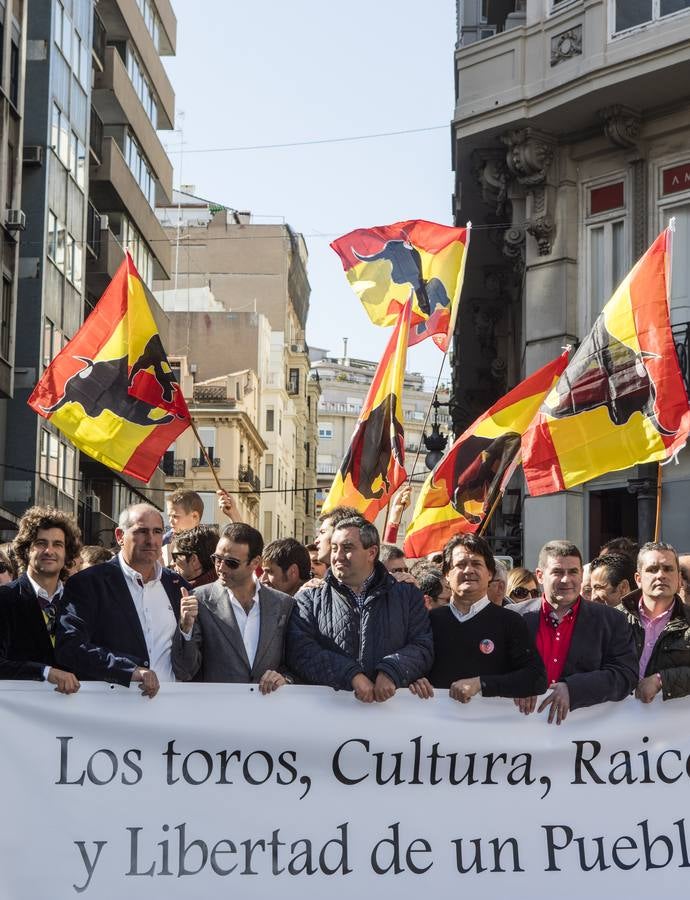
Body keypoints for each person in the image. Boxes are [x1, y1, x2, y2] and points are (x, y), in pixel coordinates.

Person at [286, 517, 433, 701]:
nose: (337, 556)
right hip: (328, 717)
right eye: (334, 548)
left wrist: (392, 670)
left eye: (347, 548)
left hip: (392, 716)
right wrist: (350, 675)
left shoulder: (407, 595)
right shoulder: (309, 597)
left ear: (371, 553)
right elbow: (300, 651)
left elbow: (422, 646)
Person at [56, 503, 188, 698]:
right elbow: (70, 646)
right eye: (142, 531)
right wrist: (128, 671)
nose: (151, 540)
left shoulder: (177, 586)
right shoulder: (88, 583)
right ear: (120, 536)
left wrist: (188, 630)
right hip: (111, 708)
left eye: (157, 531)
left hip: (169, 708)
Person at [409, 535, 546, 703]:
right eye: (460, 565)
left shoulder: (510, 621)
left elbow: (536, 678)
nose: (468, 570)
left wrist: (481, 684)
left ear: (489, 573)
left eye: (476, 564)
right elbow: (411, 665)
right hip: (436, 725)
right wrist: (414, 680)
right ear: (446, 574)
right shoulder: (428, 621)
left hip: (489, 726)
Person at [513, 540, 637, 724]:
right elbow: (492, 669)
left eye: (573, 572)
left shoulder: (611, 621)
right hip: (519, 734)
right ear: (539, 575)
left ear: (581, 575)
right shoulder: (514, 617)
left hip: (581, 739)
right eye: (557, 572)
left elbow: (625, 675)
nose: (566, 580)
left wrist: (574, 689)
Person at [172, 523, 294, 690]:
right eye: (216, 559)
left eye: (231, 562)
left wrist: (284, 679)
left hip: (268, 709)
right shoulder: (198, 600)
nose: (220, 567)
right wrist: (186, 628)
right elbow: (184, 671)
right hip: (218, 711)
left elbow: (294, 664)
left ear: (254, 562)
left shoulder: (283, 604)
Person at [0, 506, 81, 692]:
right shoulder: (4, 599)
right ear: (26, 549)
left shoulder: (79, 603)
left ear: (66, 553)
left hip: (75, 713)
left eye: (57, 544)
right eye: (41, 543)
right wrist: (45, 672)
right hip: (19, 715)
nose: (49, 551)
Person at [619, 541, 690, 703]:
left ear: (679, 578)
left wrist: (662, 680)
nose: (660, 575)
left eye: (668, 569)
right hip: (614, 723)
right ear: (638, 578)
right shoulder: (614, 618)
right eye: (652, 569)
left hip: (670, 725)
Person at [170, 524, 219, 588]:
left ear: (194, 560)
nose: (172, 563)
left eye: (176, 557)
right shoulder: (228, 586)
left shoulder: (187, 594)